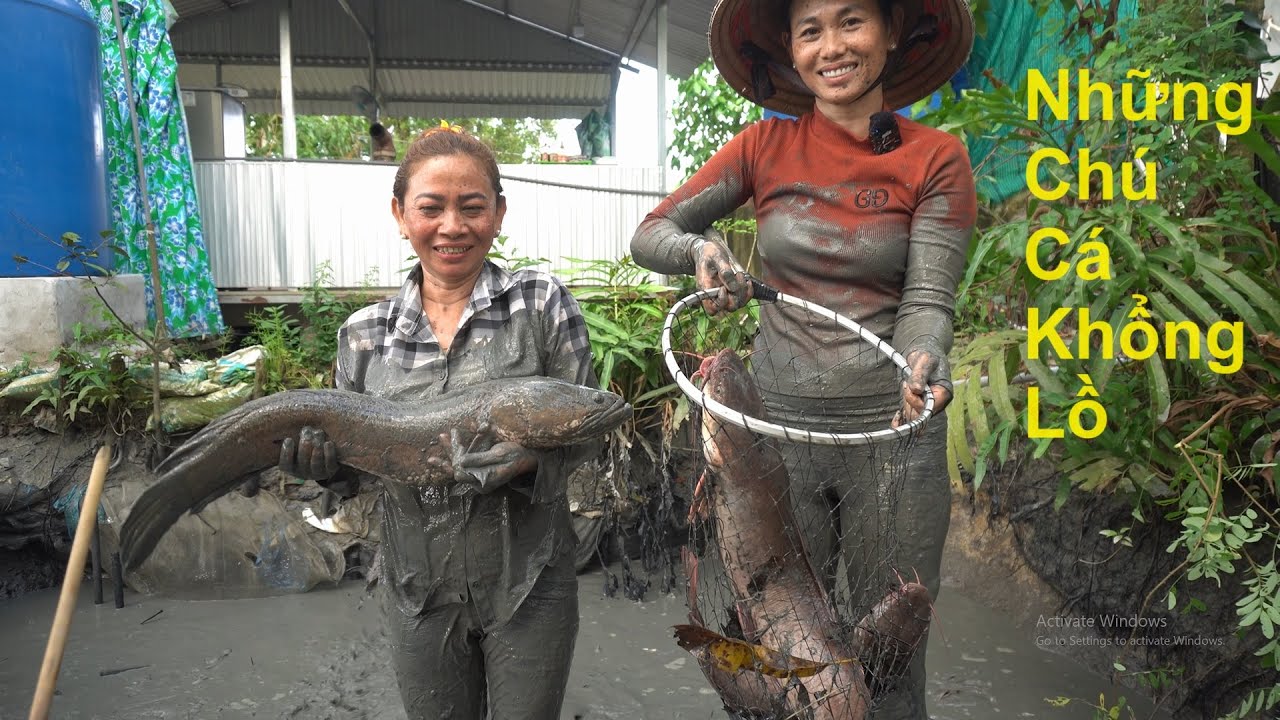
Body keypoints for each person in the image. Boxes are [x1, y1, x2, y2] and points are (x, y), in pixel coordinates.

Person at [631, 0, 976, 717]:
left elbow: (928, 302)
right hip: (775, 434)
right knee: (785, 649)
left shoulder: (935, 157)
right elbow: (651, 233)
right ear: (789, 49)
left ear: (890, 32)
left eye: (852, 22)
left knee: (891, 659)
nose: (833, 46)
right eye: (811, 30)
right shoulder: (763, 146)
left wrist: (922, 357)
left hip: (894, 436)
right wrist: (700, 251)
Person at [280, 126, 597, 719]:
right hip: (416, 589)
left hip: (531, 581)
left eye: (472, 207)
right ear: (400, 215)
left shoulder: (542, 304)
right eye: (431, 208)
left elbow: (586, 431)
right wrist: (322, 470)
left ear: (498, 213)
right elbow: (352, 476)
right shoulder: (364, 336)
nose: (453, 226)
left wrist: (530, 460)